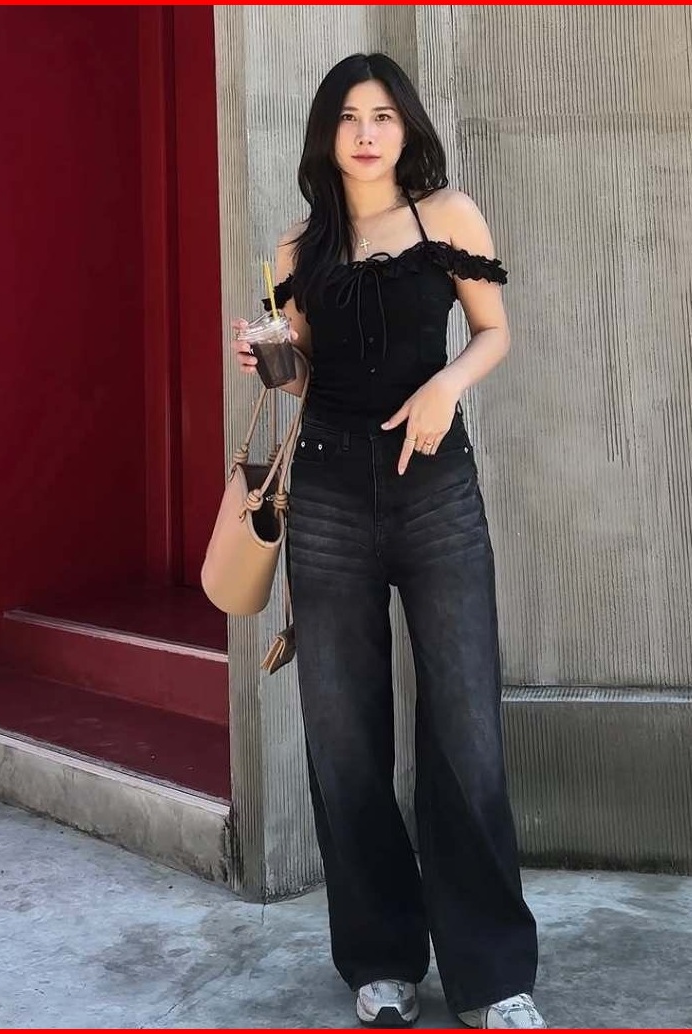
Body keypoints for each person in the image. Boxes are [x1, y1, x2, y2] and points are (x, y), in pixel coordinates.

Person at [233, 53, 544, 1030]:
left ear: (406, 128)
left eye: (383, 115)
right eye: (348, 117)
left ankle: (491, 975)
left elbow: (493, 331)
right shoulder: (297, 245)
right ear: (326, 134)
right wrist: (268, 357)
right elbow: (304, 371)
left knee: (466, 728)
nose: (366, 133)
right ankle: (379, 958)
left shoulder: (449, 217)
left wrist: (445, 386)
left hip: (436, 489)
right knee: (342, 735)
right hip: (328, 492)